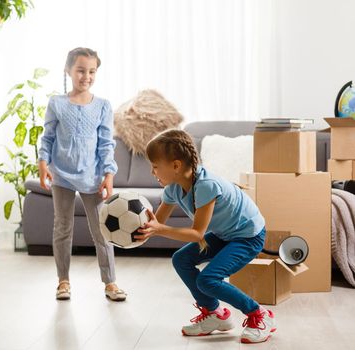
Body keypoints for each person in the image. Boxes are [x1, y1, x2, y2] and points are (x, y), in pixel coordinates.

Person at [135, 129, 275, 344]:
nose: (153, 172)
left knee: (208, 279)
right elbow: (158, 222)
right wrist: (140, 232)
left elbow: (196, 233)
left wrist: (158, 229)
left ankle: (259, 314)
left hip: (248, 236)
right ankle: (215, 315)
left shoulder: (206, 186)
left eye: (155, 166)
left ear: (176, 165)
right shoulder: (173, 188)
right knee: (181, 259)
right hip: (225, 233)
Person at [38, 47, 126, 302]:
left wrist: (109, 174)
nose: (86, 76)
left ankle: (110, 282)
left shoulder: (102, 106)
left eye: (91, 71)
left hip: (93, 177)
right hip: (61, 175)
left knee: (102, 230)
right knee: (62, 228)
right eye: (80, 70)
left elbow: (106, 144)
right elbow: (48, 137)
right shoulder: (56, 103)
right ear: (68, 70)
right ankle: (63, 281)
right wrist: (43, 162)